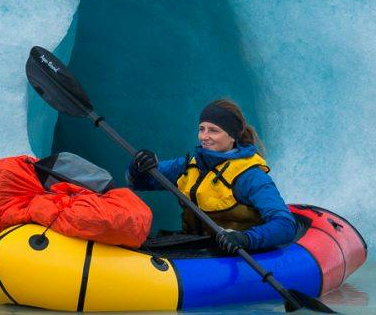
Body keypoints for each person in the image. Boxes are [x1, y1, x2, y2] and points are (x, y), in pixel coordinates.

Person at [127, 98, 298, 253]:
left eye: (213, 131)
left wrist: (245, 239)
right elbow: (140, 182)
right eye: (202, 129)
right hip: (192, 246)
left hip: (234, 253)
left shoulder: (250, 176)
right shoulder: (188, 165)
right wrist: (139, 165)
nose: (204, 137)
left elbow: (285, 225)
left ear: (232, 137)